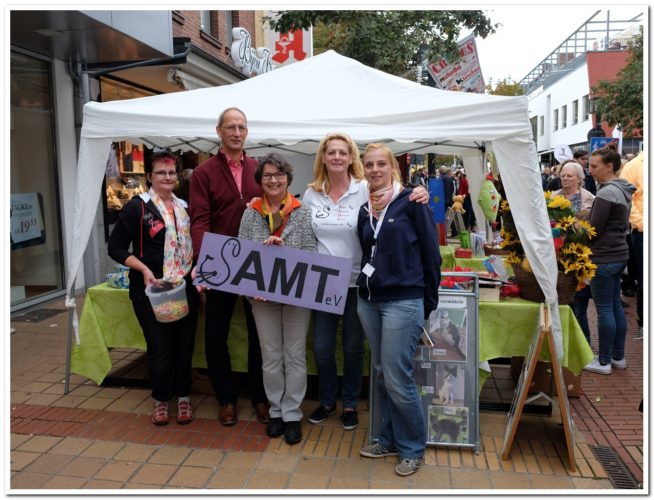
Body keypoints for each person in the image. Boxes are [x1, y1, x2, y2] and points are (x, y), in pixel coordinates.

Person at [302, 133, 428, 431]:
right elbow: (304, 236)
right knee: (321, 347)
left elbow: (394, 193)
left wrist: (418, 190)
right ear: (322, 157)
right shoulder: (311, 194)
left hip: (359, 281)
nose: (336, 157)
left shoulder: (363, 188)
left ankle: (349, 404)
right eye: (330, 152)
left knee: (354, 347)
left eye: (342, 152)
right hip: (322, 282)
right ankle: (327, 400)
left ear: (350, 158)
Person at [356, 143, 441, 477]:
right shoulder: (365, 207)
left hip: (403, 301)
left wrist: (427, 301)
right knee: (381, 374)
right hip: (369, 300)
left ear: (392, 167)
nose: (375, 169)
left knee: (397, 377)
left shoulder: (413, 202)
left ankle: (412, 448)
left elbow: (431, 255)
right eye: (369, 164)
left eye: (381, 164)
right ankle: (387, 439)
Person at [189, 107, 269, 426]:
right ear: (219, 131)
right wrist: (203, 265)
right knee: (215, 335)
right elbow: (199, 221)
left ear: (247, 132)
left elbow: (271, 213)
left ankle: (260, 397)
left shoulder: (258, 168)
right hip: (219, 262)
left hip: (253, 263)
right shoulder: (203, 173)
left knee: (258, 334)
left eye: (242, 127)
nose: (237, 132)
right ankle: (226, 399)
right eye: (231, 127)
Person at [108, 149, 198, 426]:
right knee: (160, 348)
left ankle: (183, 398)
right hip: (151, 291)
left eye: (172, 172)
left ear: (178, 177)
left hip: (184, 287)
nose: (167, 177)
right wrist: (144, 269)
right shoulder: (138, 206)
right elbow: (116, 247)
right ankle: (161, 401)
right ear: (150, 176)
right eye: (161, 172)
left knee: (184, 348)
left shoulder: (185, 206)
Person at [238, 153, 317, 445]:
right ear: (260, 181)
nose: (274, 180)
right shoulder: (250, 213)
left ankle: (293, 413)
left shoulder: (303, 211)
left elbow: (311, 251)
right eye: (268, 175)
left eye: (279, 175)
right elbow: (242, 254)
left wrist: (285, 250)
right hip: (261, 296)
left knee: (294, 355)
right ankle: (275, 411)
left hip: (297, 295)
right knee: (270, 356)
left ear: (288, 179)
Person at [583, 143, 635, 375]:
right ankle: (617, 357)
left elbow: (594, 229)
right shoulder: (622, 190)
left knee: (605, 308)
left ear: (610, 166)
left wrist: (579, 228)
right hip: (619, 255)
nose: (590, 170)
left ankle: (603, 361)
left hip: (603, 257)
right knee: (614, 306)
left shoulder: (606, 192)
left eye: (594, 166)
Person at [552, 161, 595, 343]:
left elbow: (592, 228)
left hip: (578, 257)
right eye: (563, 175)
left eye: (569, 176)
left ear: (579, 178)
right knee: (558, 301)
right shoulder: (553, 197)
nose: (565, 178)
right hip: (555, 256)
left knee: (579, 303)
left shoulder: (589, 199)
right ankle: (558, 341)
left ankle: (582, 344)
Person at [619, 151, 644, 337]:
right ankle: (645, 323)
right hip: (643, 233)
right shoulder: (633, 166)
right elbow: (628, 201)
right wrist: (644, 225)